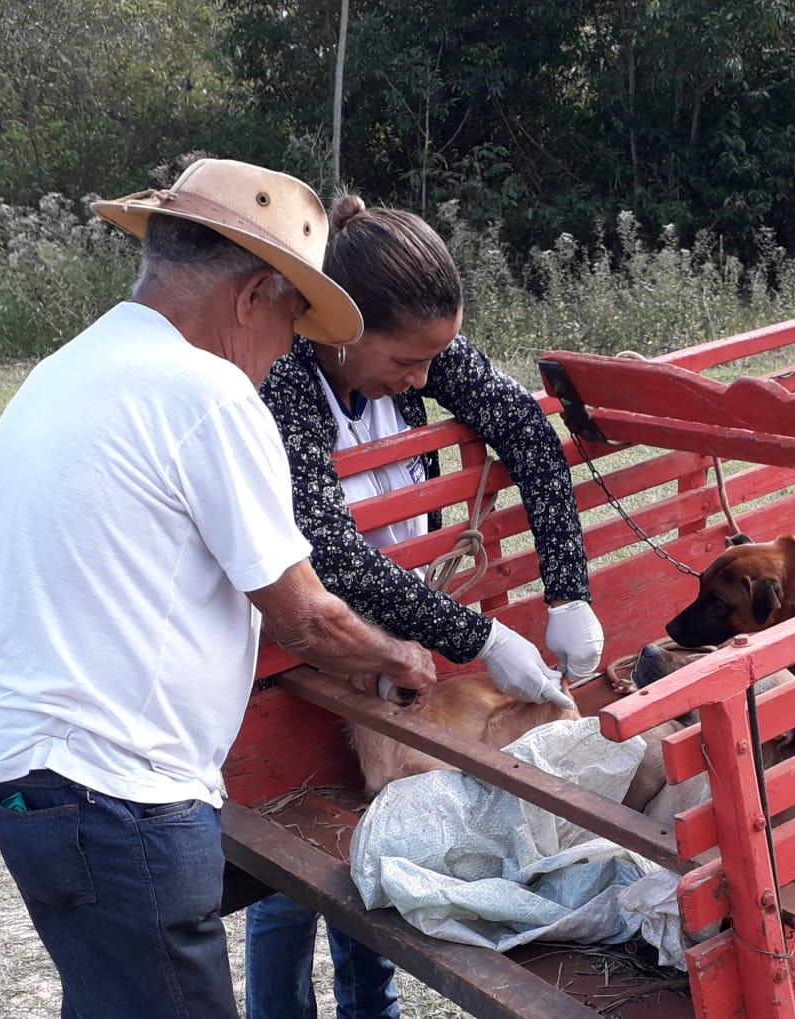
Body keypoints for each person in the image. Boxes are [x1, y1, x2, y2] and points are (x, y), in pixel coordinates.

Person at [0, 159, 437, 1019]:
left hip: (39, 786)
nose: (289, 348)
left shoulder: (65, 370)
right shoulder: (206, 394)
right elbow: (306, 614)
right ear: (251, 295)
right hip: (123, 798)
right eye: (291, 317)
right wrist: (403, 656)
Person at [246, 195, 604, 1019]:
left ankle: (370, 1010)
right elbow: (326, 548)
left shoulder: (416, 354)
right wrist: (479, 635)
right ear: (342, 327)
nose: (423, 378)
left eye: (434, 361)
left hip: (403, 640)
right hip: (309, 648)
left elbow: (526, 430)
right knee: (293, 863)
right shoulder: (285, 384)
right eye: (409, 363)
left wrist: (568, 590)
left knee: (374, 829)